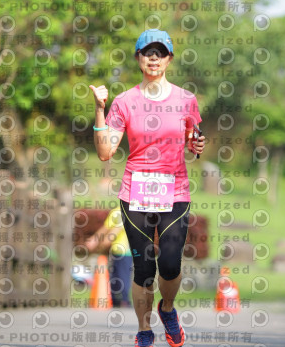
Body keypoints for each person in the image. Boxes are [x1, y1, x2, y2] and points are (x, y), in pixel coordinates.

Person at [89, 29, 205, 347]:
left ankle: (167, 309)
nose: (153, 58)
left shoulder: (186, 100)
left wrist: (197, 145)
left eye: (160, 52)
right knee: (143, 267)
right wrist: (100, 108)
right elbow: (104, 152)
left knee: (170, 263)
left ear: (169, 59)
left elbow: (195, 146)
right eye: (147, 52)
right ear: (139, 59)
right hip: (135, 192)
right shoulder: (125, 101)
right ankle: (143, 328)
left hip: (175, 191)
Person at [83, 207, 133, 307]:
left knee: (122, 278)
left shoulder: (127, 211)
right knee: (115, 277)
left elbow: (114, 232)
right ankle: (116, 301)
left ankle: (123, 302)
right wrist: (94, 239)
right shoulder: (117, 210)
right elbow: (106, 227)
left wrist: (99, 245)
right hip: (115, 252)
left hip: (125, 251)